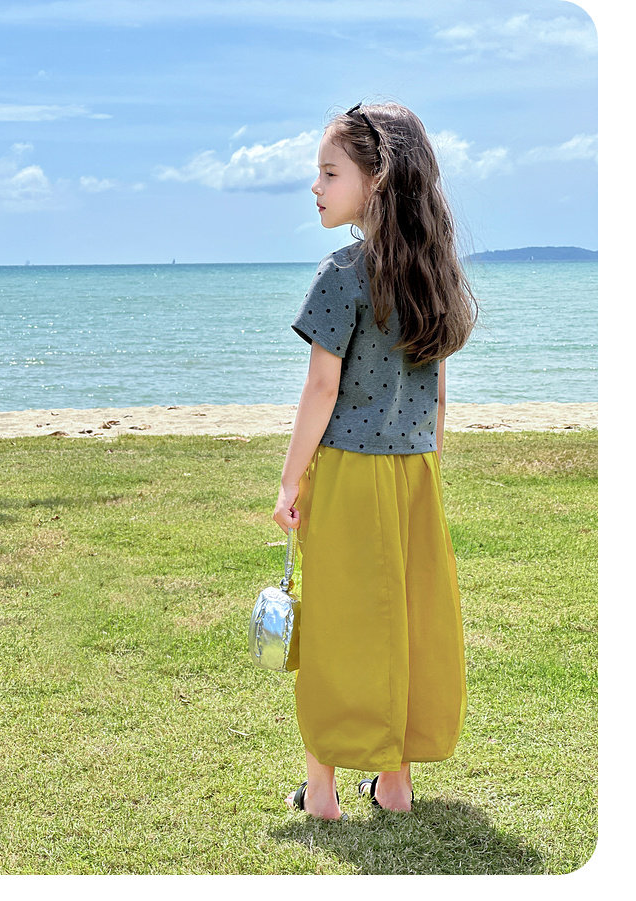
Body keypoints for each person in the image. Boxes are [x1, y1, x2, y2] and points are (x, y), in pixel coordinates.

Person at [273, 102, 478, 821]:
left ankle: (322, 790)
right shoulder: (434, 274)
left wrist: (290, 481)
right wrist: (428, 470)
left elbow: (321, 388)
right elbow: (439, 397)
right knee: (405, 623)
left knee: (337, 623)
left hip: (347, 475)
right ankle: (394, 783)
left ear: (377, 179)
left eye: (329, 173)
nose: (316, 186)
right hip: (415, 473)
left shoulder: (340, 273)